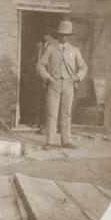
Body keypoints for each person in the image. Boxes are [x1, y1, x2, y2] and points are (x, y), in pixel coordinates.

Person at [36, 20, 88, 149]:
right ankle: (50, 141)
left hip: (69, 85)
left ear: (69, 36)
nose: (64, 37)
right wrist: (47, 77)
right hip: (53, 84)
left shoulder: (75, 50)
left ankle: (66, 141)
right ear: (58, 35)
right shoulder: (51, 49)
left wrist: (77, 78)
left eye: (66, 35)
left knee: (66, 113)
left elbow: (83, 67)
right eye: (62, 35)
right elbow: (40, 65)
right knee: (52, 113)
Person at [35, 32, 55, 130]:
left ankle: (47, 125)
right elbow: (39, 62)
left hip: (49, 76)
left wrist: (46, 78)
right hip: (40, 75)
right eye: (44, 33)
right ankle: (40, 123)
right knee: (40, 100)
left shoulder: (54, 45)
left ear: (51, 35)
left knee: (48, 101)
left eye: (47, 33)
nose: (44, 35)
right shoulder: (42, 45)